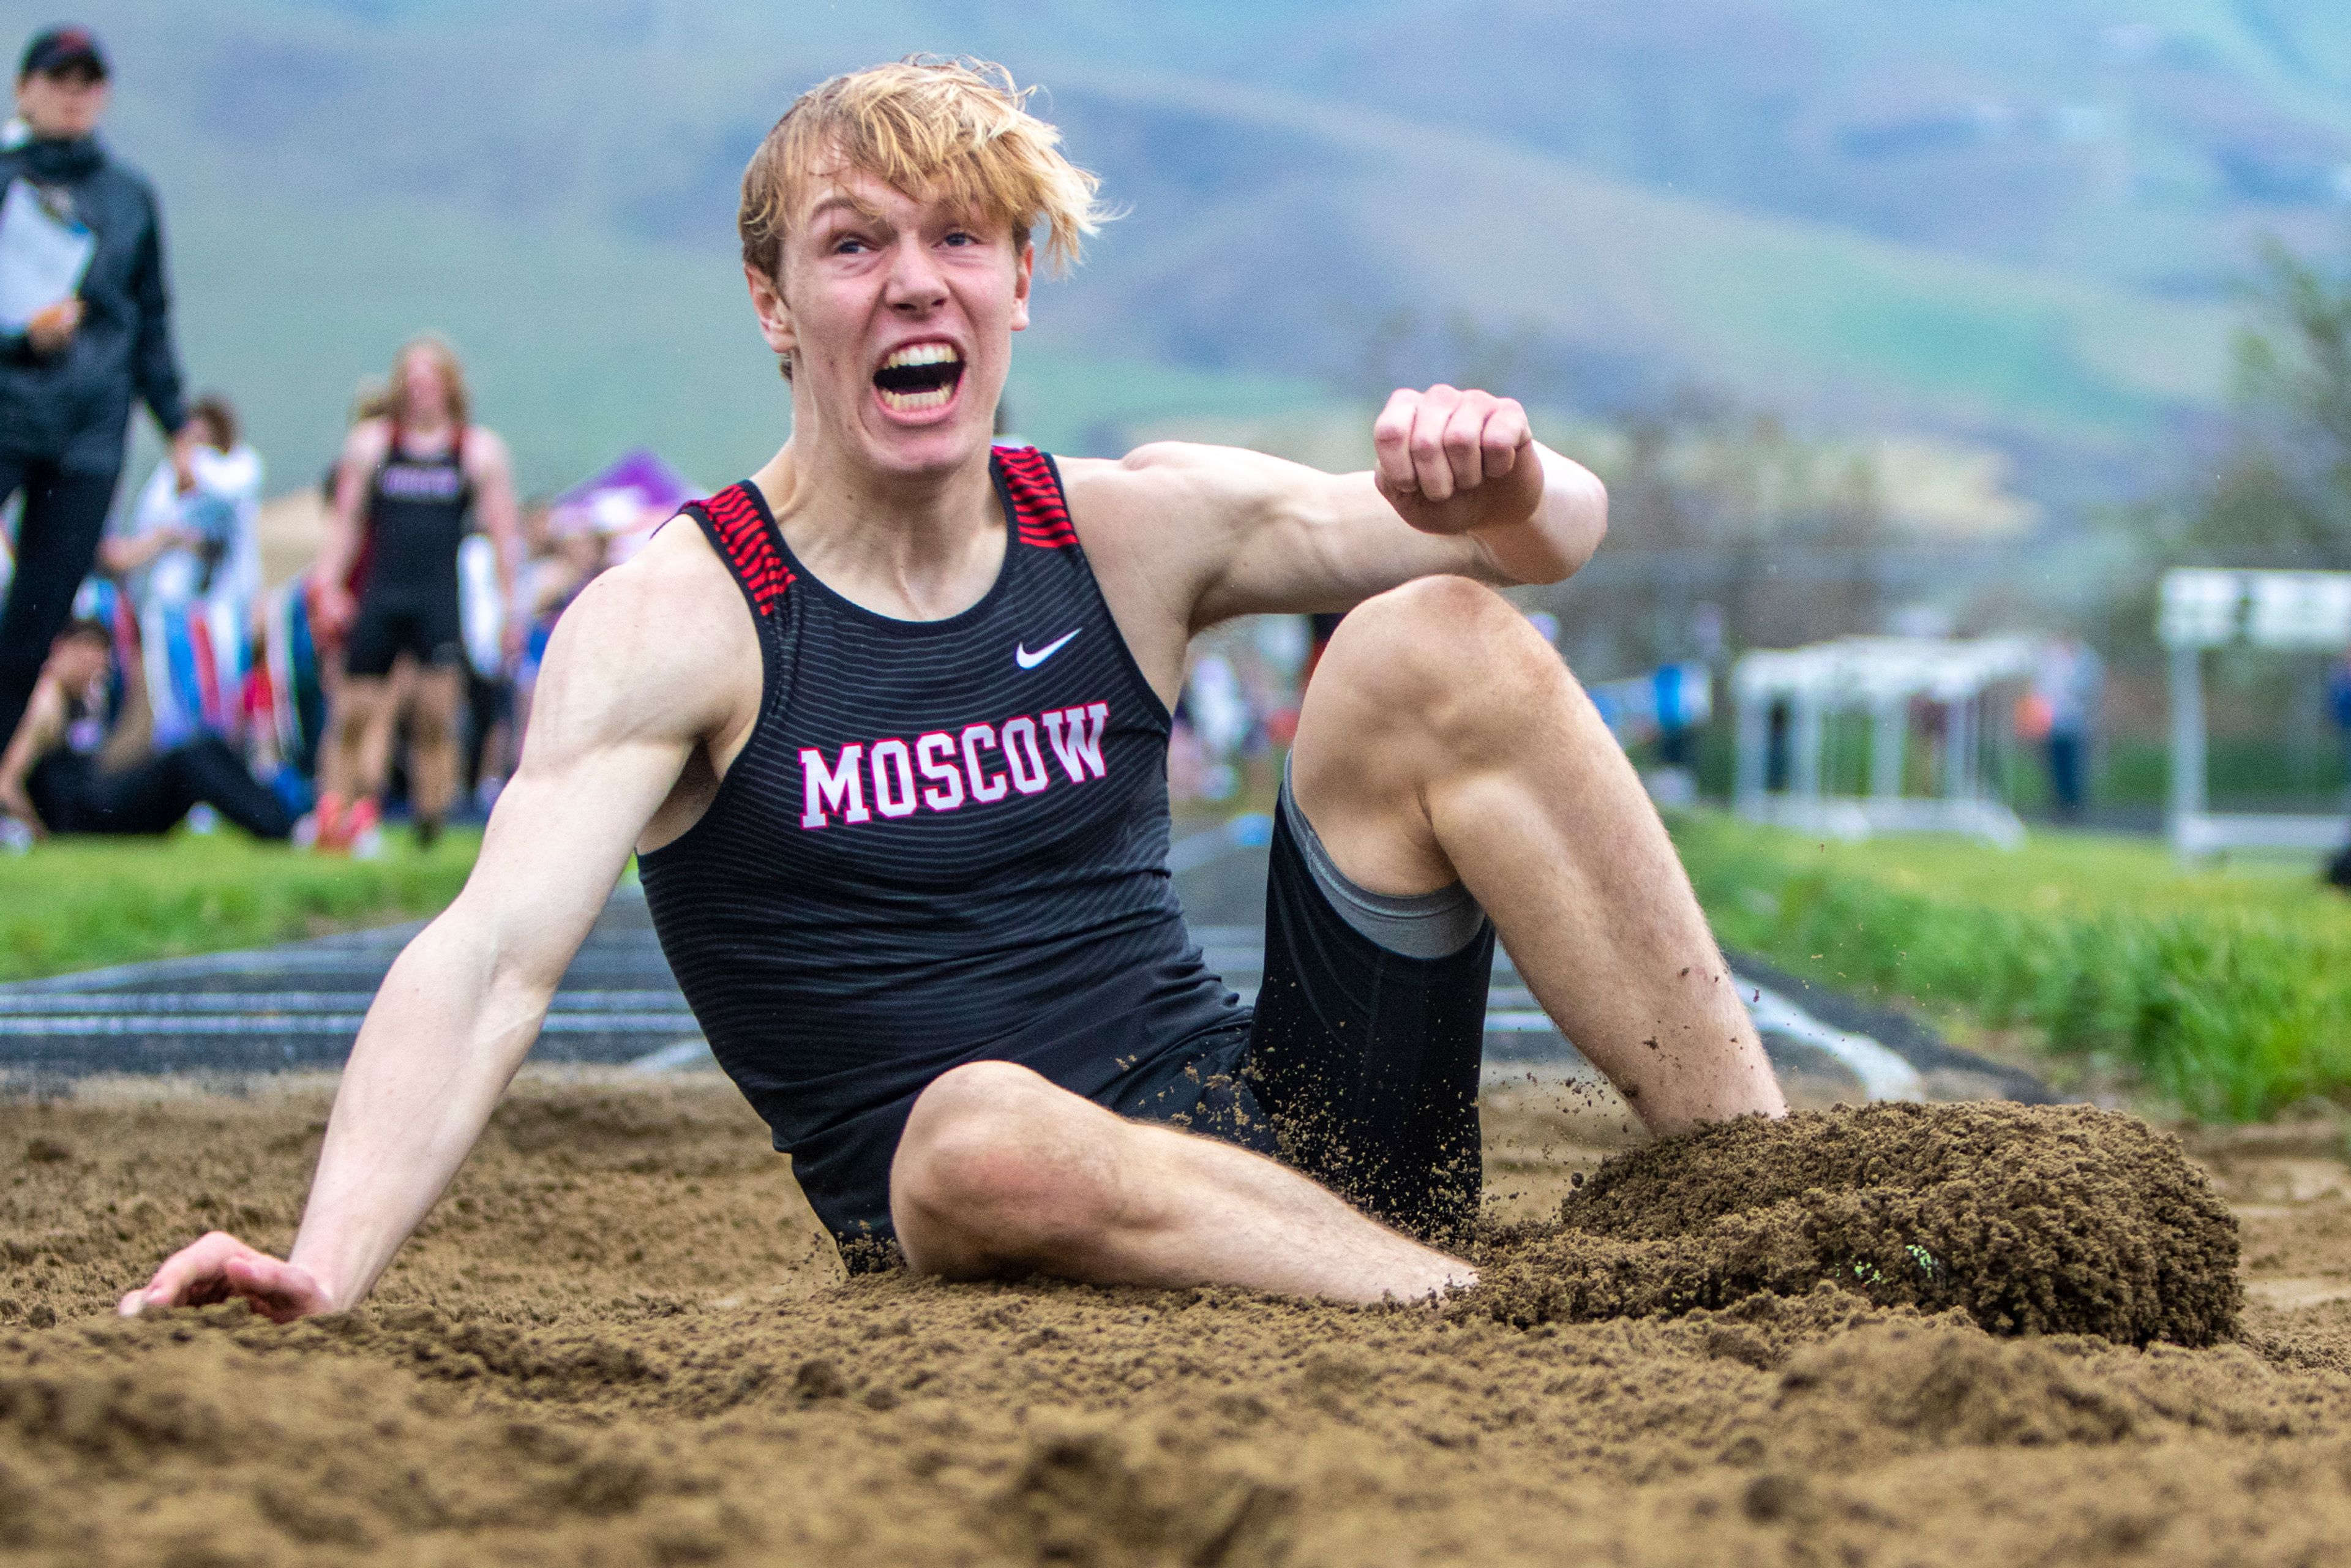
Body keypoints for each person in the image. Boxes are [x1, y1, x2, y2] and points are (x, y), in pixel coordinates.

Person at [121, 59, 1782, 1324]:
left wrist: (1503, 467)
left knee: (1434, 632)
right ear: (775, 307)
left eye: (961, 240)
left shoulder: (1125, 527)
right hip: (995, 1200)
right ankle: (1470, 1313)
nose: (916, 281)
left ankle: (1773, 1191)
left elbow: (1547, 543)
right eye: (855, 247)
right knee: (976, 1127)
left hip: (1304, 1149)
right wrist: (322, 1266)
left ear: (1018, 285)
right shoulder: (680, 620)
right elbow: (488, 957)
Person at [0, 24, 195, 762]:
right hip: (8, 411)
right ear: (26, 89)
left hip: (88, 434)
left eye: (88, 81)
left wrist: (177, 428)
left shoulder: (129, 196)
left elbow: (150, 321)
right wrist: (21, 337)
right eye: (59, 79)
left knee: (36, 623)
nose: (74, 94)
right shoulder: (6, 180)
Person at [307, 336, 520, 852]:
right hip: (383, 593)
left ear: (449, 387)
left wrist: (510, 607)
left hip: (437, 600)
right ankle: (337, 814)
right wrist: (328, 583)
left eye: (431, 382)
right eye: (412, 382)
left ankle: (430, 817)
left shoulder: (476, 451)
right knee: (354, 709)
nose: (420, 392)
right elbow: (347, 524)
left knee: (432, 716)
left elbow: (503, 534)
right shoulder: (374, 445)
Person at [0, 617, 290, 840]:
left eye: (101, 653)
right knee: (192, 761)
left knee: (207, 746)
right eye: (86, 651)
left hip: (94, 801)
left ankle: (281, 815)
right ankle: (279, 826)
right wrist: (40, 835)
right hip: (88, 815)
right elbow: (6, 782)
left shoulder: (73, 703)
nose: (95, 663)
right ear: (60, 650)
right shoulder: (46, 702)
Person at [102, 393, 262, 619]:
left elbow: (225, 484)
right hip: (163, 610)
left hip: (223, 611)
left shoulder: (241, 467)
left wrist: (192, 463)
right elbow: (144, 534)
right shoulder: (162, 481)